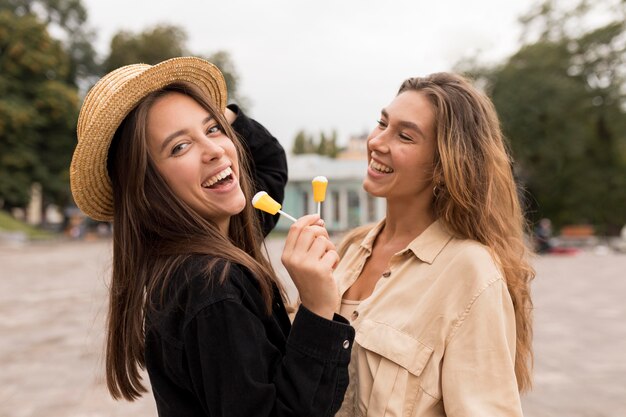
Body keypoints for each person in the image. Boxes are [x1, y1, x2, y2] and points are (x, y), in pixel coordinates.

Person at [70, 57, 354, 417]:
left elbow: (267, 163)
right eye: (179, 147)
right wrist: (317, 308)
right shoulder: (213, 288)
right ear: (147, 186)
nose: (216, 150)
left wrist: (221, 116)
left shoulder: (201, 251)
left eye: (213, 129)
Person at [334, 73, 535, 416]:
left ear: (444, 165)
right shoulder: (349, 249)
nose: (377, 142)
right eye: (382, 123)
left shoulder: (471, 272)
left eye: (405, 136)